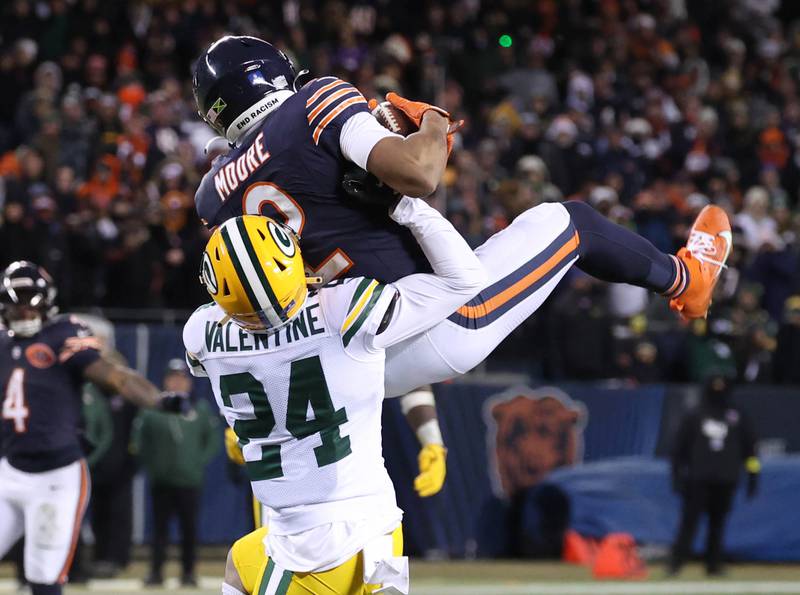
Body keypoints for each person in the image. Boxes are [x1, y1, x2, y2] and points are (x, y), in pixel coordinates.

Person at [191, 36, 732, 400]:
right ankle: (690, 281)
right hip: (436, 316)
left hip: (340, 360)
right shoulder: (313, 103)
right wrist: (430, 122)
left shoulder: (210, 197)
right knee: (573, 223)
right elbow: (419, 175)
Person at [184, 204, 485, 593]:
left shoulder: (202, 334)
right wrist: (404, 205)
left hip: (311, 545)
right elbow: (465, 279)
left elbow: (235, 353)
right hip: (377, 523)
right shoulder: (344, 309)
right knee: (240, 562)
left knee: (241, 565)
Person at [0, 261, 187, 595]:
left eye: (31, 301)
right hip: (8, 471)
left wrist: (157, 399)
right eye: (18, 302)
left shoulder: (63, 335)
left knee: (42, 577)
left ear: (47, 303)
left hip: (55, 477)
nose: (25, 310)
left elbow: (114, 376)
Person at [132, 358, 220, 587]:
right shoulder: (153, 410)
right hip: (161, 480)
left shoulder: (198, 408)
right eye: (173, 378)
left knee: (189, 529)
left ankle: (188, 572)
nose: (178, 383)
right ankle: (156, 572)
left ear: (188, 382)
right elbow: (140, 442)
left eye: (182, 379)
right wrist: (154, 466)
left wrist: (196, 463)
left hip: (189, 480)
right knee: (159, 530)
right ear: (165, 381)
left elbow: (211, 441)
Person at [669, 372, 760, 576]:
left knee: (717, 524)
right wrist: (676, 476)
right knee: (689, 522)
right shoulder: (695, 415)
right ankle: (676, 563)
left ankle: (714, 565)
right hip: (697, 479)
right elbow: (678, 450)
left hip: (726, 479)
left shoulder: (737, 415)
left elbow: (751, 450)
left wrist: (753, 477)